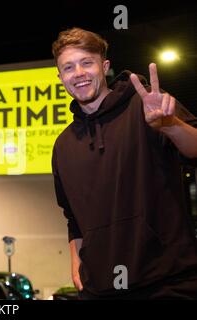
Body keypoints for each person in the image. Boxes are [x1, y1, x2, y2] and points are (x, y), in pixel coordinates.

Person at [51, 28, 197, 299]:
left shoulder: (146, 107)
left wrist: (169, 125)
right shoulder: (62, 146)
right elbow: (73, 217)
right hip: (100, 290)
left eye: (86, 63)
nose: (78, 73)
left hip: (167, 283)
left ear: (104, 66)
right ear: (60, 77)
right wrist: (76, 263)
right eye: (68, 67)